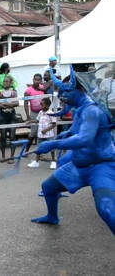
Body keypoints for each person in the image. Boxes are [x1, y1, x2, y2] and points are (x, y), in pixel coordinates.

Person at [30, 66, 115, 236]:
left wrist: (52, 144)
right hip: (79, 164)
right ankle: (52, 217)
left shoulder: (92, 110)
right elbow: (77, 132)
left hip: (101, 166)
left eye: (66, 92)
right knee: (48, 187)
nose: (62, 96)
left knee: (106, 209)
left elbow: (85, 138)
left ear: (78, 90)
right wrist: (66, 133)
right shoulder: (80, 109)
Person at [27, 97, 57, 169]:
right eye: (40, 104)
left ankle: (53, 162)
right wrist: (30, 121)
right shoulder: (40, 112)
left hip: (49, 135)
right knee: (39, 148)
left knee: (51, 148)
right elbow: (37, 120)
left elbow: (54, 124)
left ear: (47, 105)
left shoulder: (51, 113)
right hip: (40, 134)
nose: (41, 106)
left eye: (42, 104)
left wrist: (46, 130)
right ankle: (36, 162)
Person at [0, 76, 18, 163]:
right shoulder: (0, 92)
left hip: (12, 116)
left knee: (12, 136)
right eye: (4, 81)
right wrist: (9, 104)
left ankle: (12, 156)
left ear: (11, 83)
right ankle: (3, 156)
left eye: (7, 81)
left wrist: (4, 104)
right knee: (3, 136)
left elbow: (16, 103)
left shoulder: (13, 92)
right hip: (2, 116)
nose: (5, 83)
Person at [24, 73, 45, 152]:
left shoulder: (43, 88)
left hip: (43, 112)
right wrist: (27, 115)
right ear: (33, 80)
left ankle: (40, 151)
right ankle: (26, 150)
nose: (37, 81)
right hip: (34, 113)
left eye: (38, 80)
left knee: (42, 132)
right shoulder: (28, 90)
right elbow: (26, 103)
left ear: (41, 81)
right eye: (35, 79)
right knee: (33, 133)